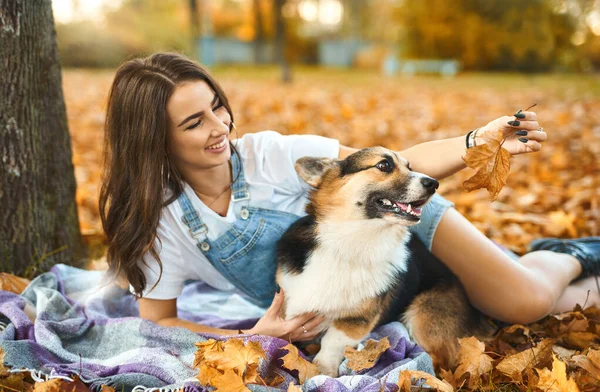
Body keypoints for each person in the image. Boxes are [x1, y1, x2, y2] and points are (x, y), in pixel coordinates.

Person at [100, 52, 600, 342]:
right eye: (195, 122)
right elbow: (161, 322)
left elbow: (392, 163)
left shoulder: (267, 154)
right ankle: (536, 264)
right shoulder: (161, 226)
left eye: (217, 106)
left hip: (399, 214)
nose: (221, 127)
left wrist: (479, 142)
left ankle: (573, 252)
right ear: (153, 140)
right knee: (500, 314)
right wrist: (252, 338)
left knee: (524, 300)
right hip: (365, 286)